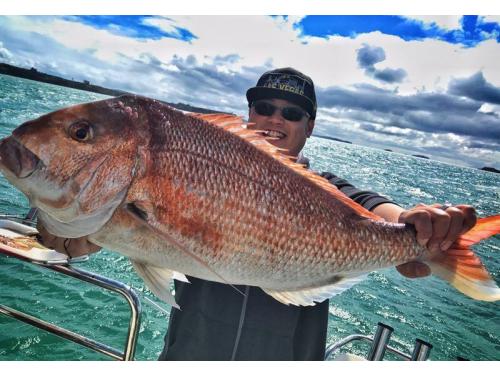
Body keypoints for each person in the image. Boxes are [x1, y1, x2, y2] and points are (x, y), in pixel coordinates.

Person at [37, 67, 477, 361]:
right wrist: (65, 232)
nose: (274, 119)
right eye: (263, 107)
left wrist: (421, 229)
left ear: (310, 126)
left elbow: (380, 214)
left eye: (291, 113)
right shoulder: (199, 169)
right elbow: (105, 233)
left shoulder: (329, 190)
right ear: (249, 112)